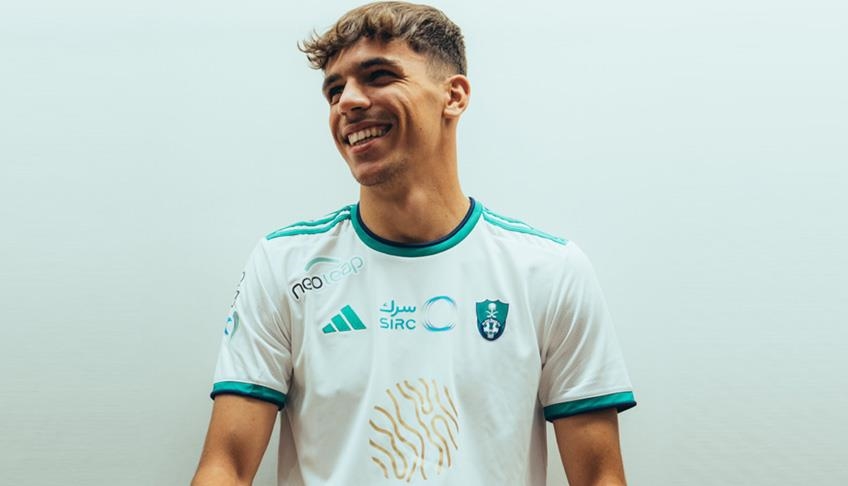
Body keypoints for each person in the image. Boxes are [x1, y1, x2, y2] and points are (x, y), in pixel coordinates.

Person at [192, 2, 636, 485]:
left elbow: (599, 476)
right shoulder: (285, 266)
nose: (346, 103)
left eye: (378, 76)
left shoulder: (550, 270)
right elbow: (226, 466)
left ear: (454, 96)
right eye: (334, 90)